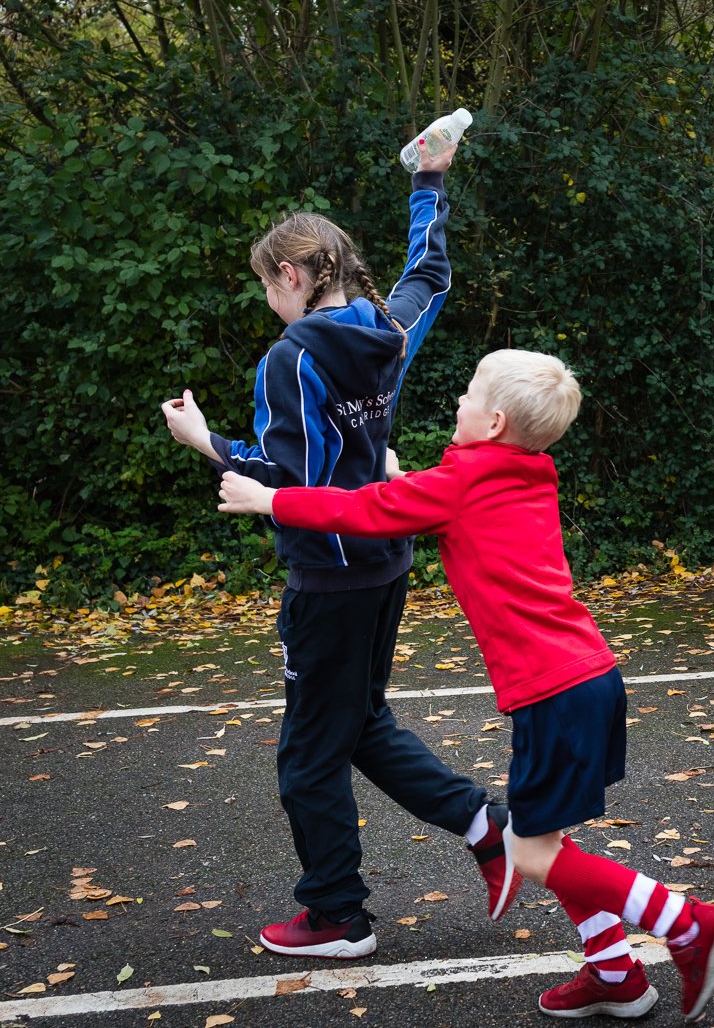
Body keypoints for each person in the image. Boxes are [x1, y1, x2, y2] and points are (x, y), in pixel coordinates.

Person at [214, 349, 714, 1022]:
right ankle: (615, 973)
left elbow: (372, 510)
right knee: (542, 838)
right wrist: (407, 477)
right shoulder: (526, 470)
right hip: (589, 677)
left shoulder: (462, 479)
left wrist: (270, 499)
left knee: (532, 851)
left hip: (552, 691)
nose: (456, 402)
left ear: (491, 422)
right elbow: (431, 501)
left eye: (466, 393)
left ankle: (686, 922)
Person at [160, 122, 520, 959]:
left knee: (307, 755)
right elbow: (428, 274)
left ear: (291, 274)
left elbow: (288, 473)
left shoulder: (289, 358)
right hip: (386, 560)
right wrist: (428, 182)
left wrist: (206, 441)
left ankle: (335, 913)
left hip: (330, 575)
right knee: (356, 723)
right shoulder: (386, 332)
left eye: (268, 287)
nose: (269, 304)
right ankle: (485, 824)